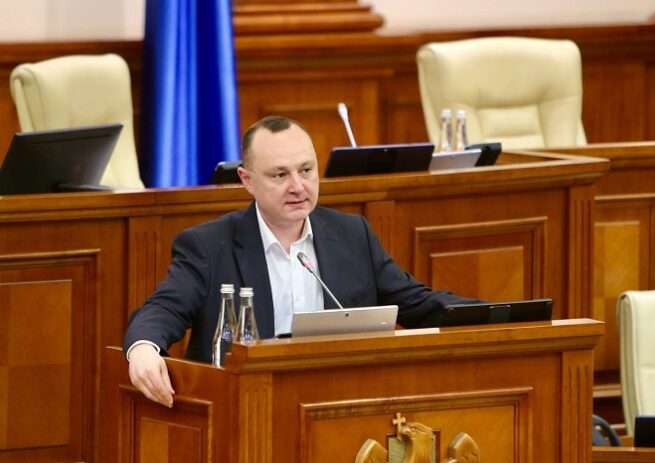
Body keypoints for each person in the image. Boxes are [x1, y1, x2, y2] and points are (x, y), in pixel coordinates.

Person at [124, 115, 479, 407]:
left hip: (337, 406)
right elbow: (163, 309)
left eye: (306, 170)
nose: (298, 186)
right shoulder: (208, 246)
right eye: (280, 175)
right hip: (246, 405)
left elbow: (418, 303)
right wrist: (143, 349)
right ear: (247, 180)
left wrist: (496, 314)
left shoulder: (352, 235)